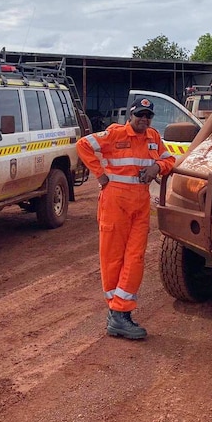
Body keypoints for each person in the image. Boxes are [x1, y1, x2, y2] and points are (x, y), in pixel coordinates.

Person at [76, 98, 176, 340]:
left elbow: (170, 159)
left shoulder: (153, 137)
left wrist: (157, 168)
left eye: (148, 115)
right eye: (140, 114)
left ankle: (120, 312)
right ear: (130, 115)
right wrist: (99, 176)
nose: (144, 119)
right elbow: (83, 145)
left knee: (135, 257)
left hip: (139, 205)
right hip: (115, 203)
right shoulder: (115, 133)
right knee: (113, 257)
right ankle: (118, 314)